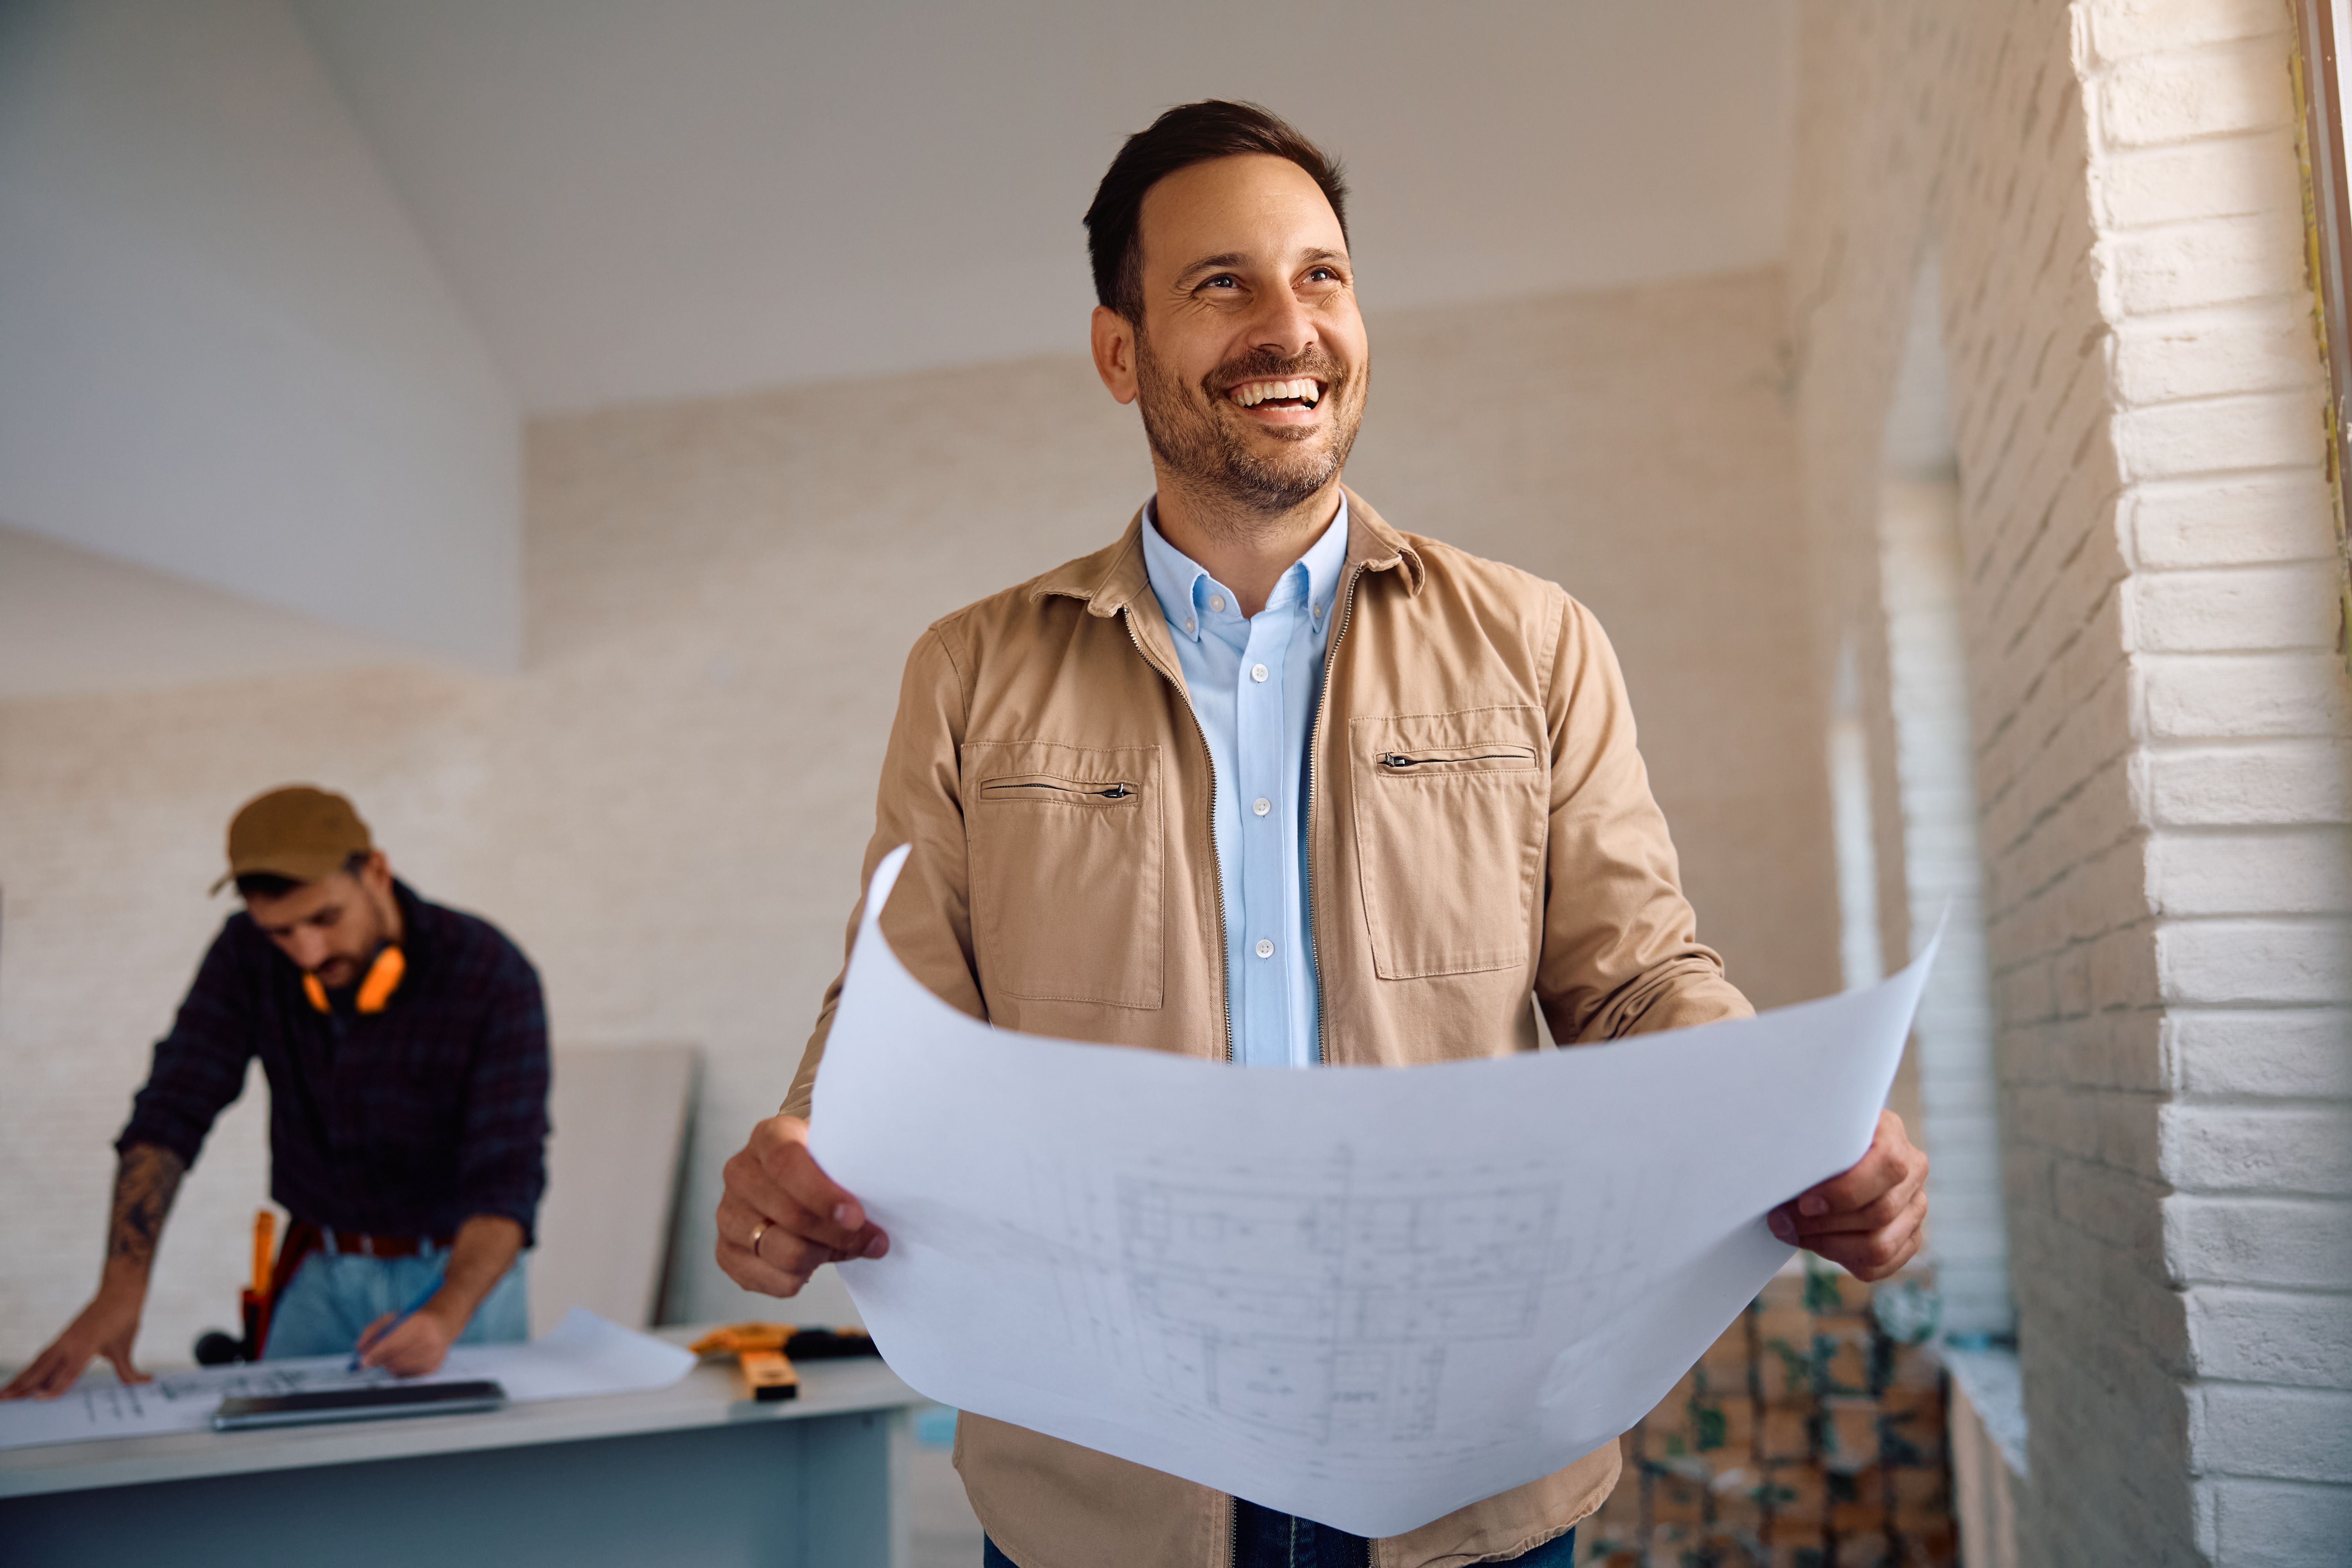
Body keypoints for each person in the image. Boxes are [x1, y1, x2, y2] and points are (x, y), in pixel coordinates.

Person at [716, 102, 1930, 1568]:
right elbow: (901, 1019)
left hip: (1469, 1462)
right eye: (1221, 283)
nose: (1289, 325)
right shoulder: (973, 670)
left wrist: (1783, 1124)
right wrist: (809, 1149)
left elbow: (1631, 984)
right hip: (1109, 1478)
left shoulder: (1535, 644)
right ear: (1121, 350)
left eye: (1324, 276)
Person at [2, 786, 549, 1397]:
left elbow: (508, 1176)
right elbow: (172, 1108)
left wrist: (447, 1313)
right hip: (318, 1268)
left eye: (325, 919)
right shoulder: (245, 956)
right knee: (276, 1469)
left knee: (462, 1478)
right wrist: (121, 1290)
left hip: (461, 1279)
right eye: (281, 932)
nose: (308, 953)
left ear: (377, 871)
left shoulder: (491, 972)